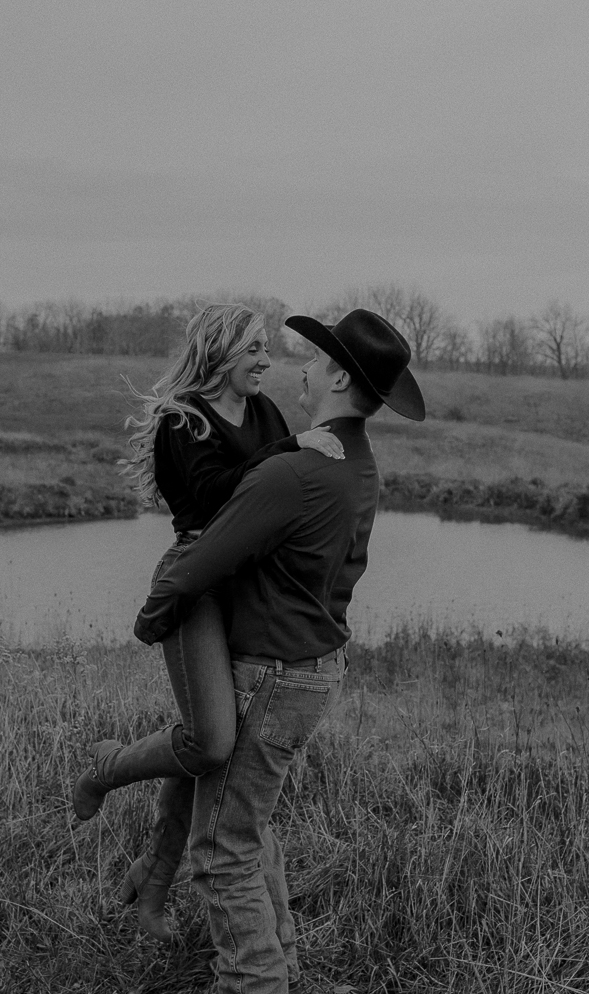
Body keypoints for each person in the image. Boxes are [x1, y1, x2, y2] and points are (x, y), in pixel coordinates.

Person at [134, 308, 424, 994]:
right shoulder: (356, 463)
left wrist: (152, 617)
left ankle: (255, 981)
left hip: (272, 671)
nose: (300, 364)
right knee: (246, 822)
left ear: (339, 376)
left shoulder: (293, 469)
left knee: (222, 850)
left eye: (316, 358)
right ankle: (280, 960)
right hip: (312, 668)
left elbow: (204, 558)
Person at [70, 302, 344, 942]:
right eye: (255, 349)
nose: (267, 362)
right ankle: (104, 769)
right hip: (196, 583)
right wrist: (291, 449)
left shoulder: (264, 411)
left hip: (249, 584)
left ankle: (153, 890)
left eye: (267, 350)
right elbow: (222, 497)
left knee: (215, 761)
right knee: (212, 742)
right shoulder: (182, 422)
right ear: (222, 350)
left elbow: (278, 488)